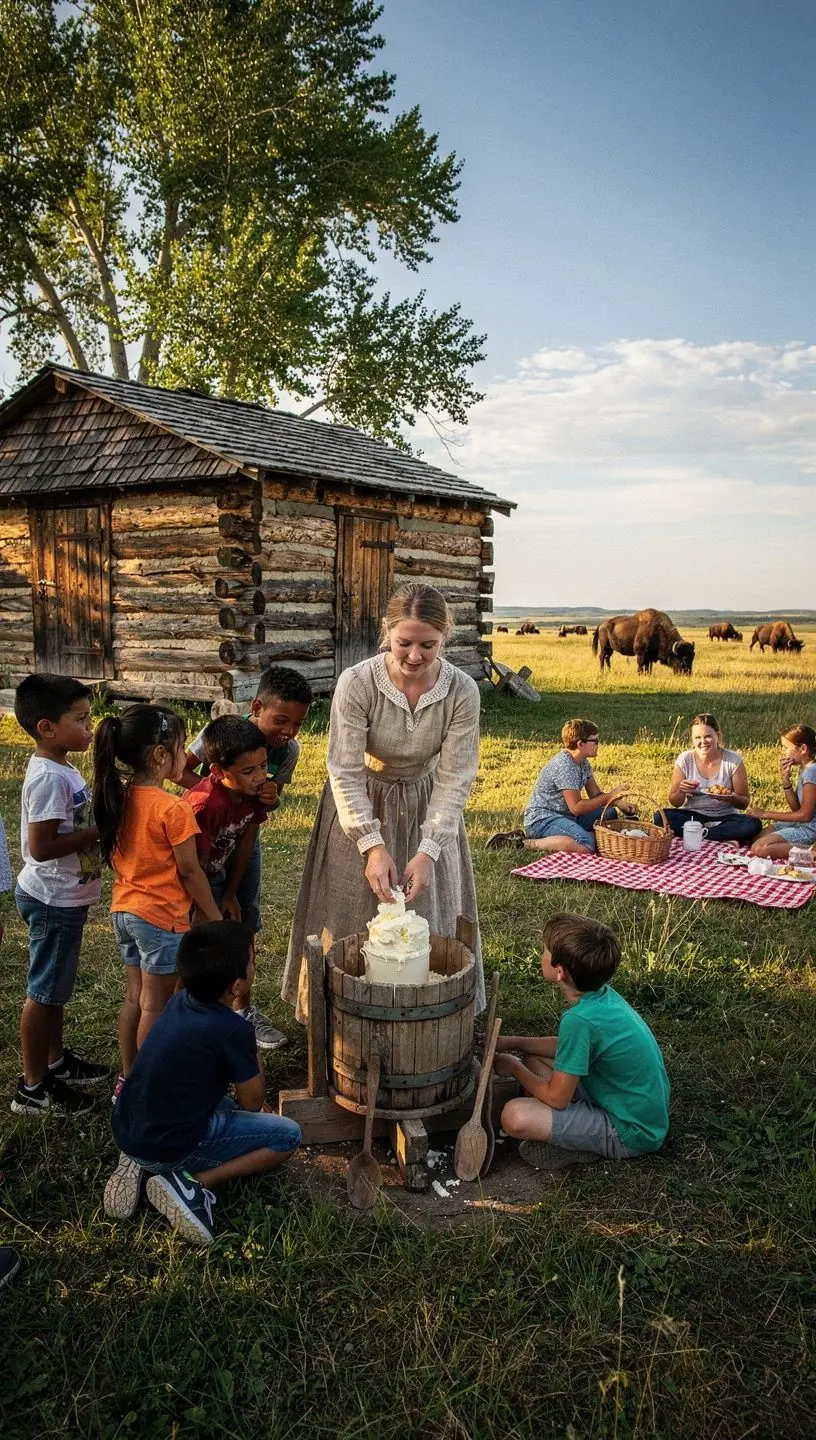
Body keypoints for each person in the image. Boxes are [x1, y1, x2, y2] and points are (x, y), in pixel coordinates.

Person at [282, 582, 485, 1017]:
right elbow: (344, 769)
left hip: (426, 802)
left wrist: (429, 851)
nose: (414, 656)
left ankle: (428, 1014)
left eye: (428, 645)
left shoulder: (462, 691)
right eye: (404, 643)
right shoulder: (357, 683)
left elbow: (455, 778)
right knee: (349, 913)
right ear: (386, 633)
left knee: (427, 911)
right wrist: (371, 845)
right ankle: (337, 1014)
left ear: (444, 638)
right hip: (362, 802)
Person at [103, 921, 301, 1247]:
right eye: (253, 960)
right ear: (237, 987)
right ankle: (190, 1182)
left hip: (129, 1121)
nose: (255, 964)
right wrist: (249, 1046)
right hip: (171, 1145)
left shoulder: (179, 1001)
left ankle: (136, 1157)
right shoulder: (232, 1030)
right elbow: (253, 1101)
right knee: (287, 1136)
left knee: (225, 1107)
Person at [93, 705, 222, 1100]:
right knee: (156, 1005)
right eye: (182, 748)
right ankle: (148, 1086)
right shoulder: (173, 808)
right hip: (160, 919)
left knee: (135, 998)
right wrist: (214, 918)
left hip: (124, 912)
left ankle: (129, 1076)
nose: (187, 757)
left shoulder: (118, 795)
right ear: (160, 756)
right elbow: (189, 872)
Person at [181, 667, 312, 1048]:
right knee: (202, 924)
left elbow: (269, 797)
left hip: (243, 839)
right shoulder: (221, 734)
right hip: (205, 837)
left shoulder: (288, 750)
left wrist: (263, 797)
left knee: (244, 915)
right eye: (281, 720)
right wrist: (222, 796)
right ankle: (194, 1009)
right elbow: (180, 770)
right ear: (257, 706)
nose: (288, 730)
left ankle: (243, 1012)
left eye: (298, 723)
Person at [496, 912, 670, 1170]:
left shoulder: (579, 1020)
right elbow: (569, 1048)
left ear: (560, 972)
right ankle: (576, 1129)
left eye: (545, 950)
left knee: (514, 1116)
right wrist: (513, 1041)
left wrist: (514, 1068)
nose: (541, 954)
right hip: (629, 1104)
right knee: (535, 1061)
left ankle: (582, 1146)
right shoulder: (601, 995)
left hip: (632, 1131)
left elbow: (557, 1099)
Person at [11, 675, 110, 1115]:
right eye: (81, 719)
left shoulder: (63, 767)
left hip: (64, 897)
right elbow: (42, 847)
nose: (90, 726)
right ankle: (32, 1087)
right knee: (44, 992)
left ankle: (54, 1062)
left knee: (55, 990)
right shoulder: (49, 778)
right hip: (52, 900)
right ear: (47, 727)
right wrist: (100, 829)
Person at [183, 716, 285, 1050]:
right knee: (201, 950)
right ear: (217, 771)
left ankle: (242, 1014)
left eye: (263, 765)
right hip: (191, 884)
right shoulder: (205, 805)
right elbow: (191, 869)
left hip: (223, 874)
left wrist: (231, 894)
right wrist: (204, 908)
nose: (260, 777)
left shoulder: (254, 792)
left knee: (240, 934)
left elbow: (245, 843)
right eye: (248, 771)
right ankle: (192, 1024)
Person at [486, 719, 634, 854]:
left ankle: (582, 835)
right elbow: (576, 807)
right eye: (595, 741)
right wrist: (609, 796)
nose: (598, 744)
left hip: (566, 816)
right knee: (586, 844)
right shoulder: (565, 766)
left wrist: (617, 801)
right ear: (580, 744)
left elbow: (595, 795)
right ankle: (523, 843)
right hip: (543, 819)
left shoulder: (582, 762)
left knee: (610, 814)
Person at [656, 713, 762, 845]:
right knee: (660, 817)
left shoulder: (733, 760)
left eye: (708, 736)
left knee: (752, 824)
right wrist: (682, 790)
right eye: (697, 738)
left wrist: (730, 797)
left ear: (718, 735)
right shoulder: (685, 759)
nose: (703, 742)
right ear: (692, 739)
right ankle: (719, 836)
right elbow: (675, 802)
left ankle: (699, 834)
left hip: (726, 817)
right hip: (693, 816)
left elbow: (744, 802)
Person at [748, 723, 816, 861]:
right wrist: (786, 780)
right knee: (758, 837)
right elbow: (796, 808)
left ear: (803, 748)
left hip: (811, 828)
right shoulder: (805, 769)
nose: (784, 752)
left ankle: (811, 850)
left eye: (786, 748)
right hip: (802, 824)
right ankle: (794, 846)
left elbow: (805, 816)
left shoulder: (812, 772)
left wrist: (765, 814)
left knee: (759, 848)